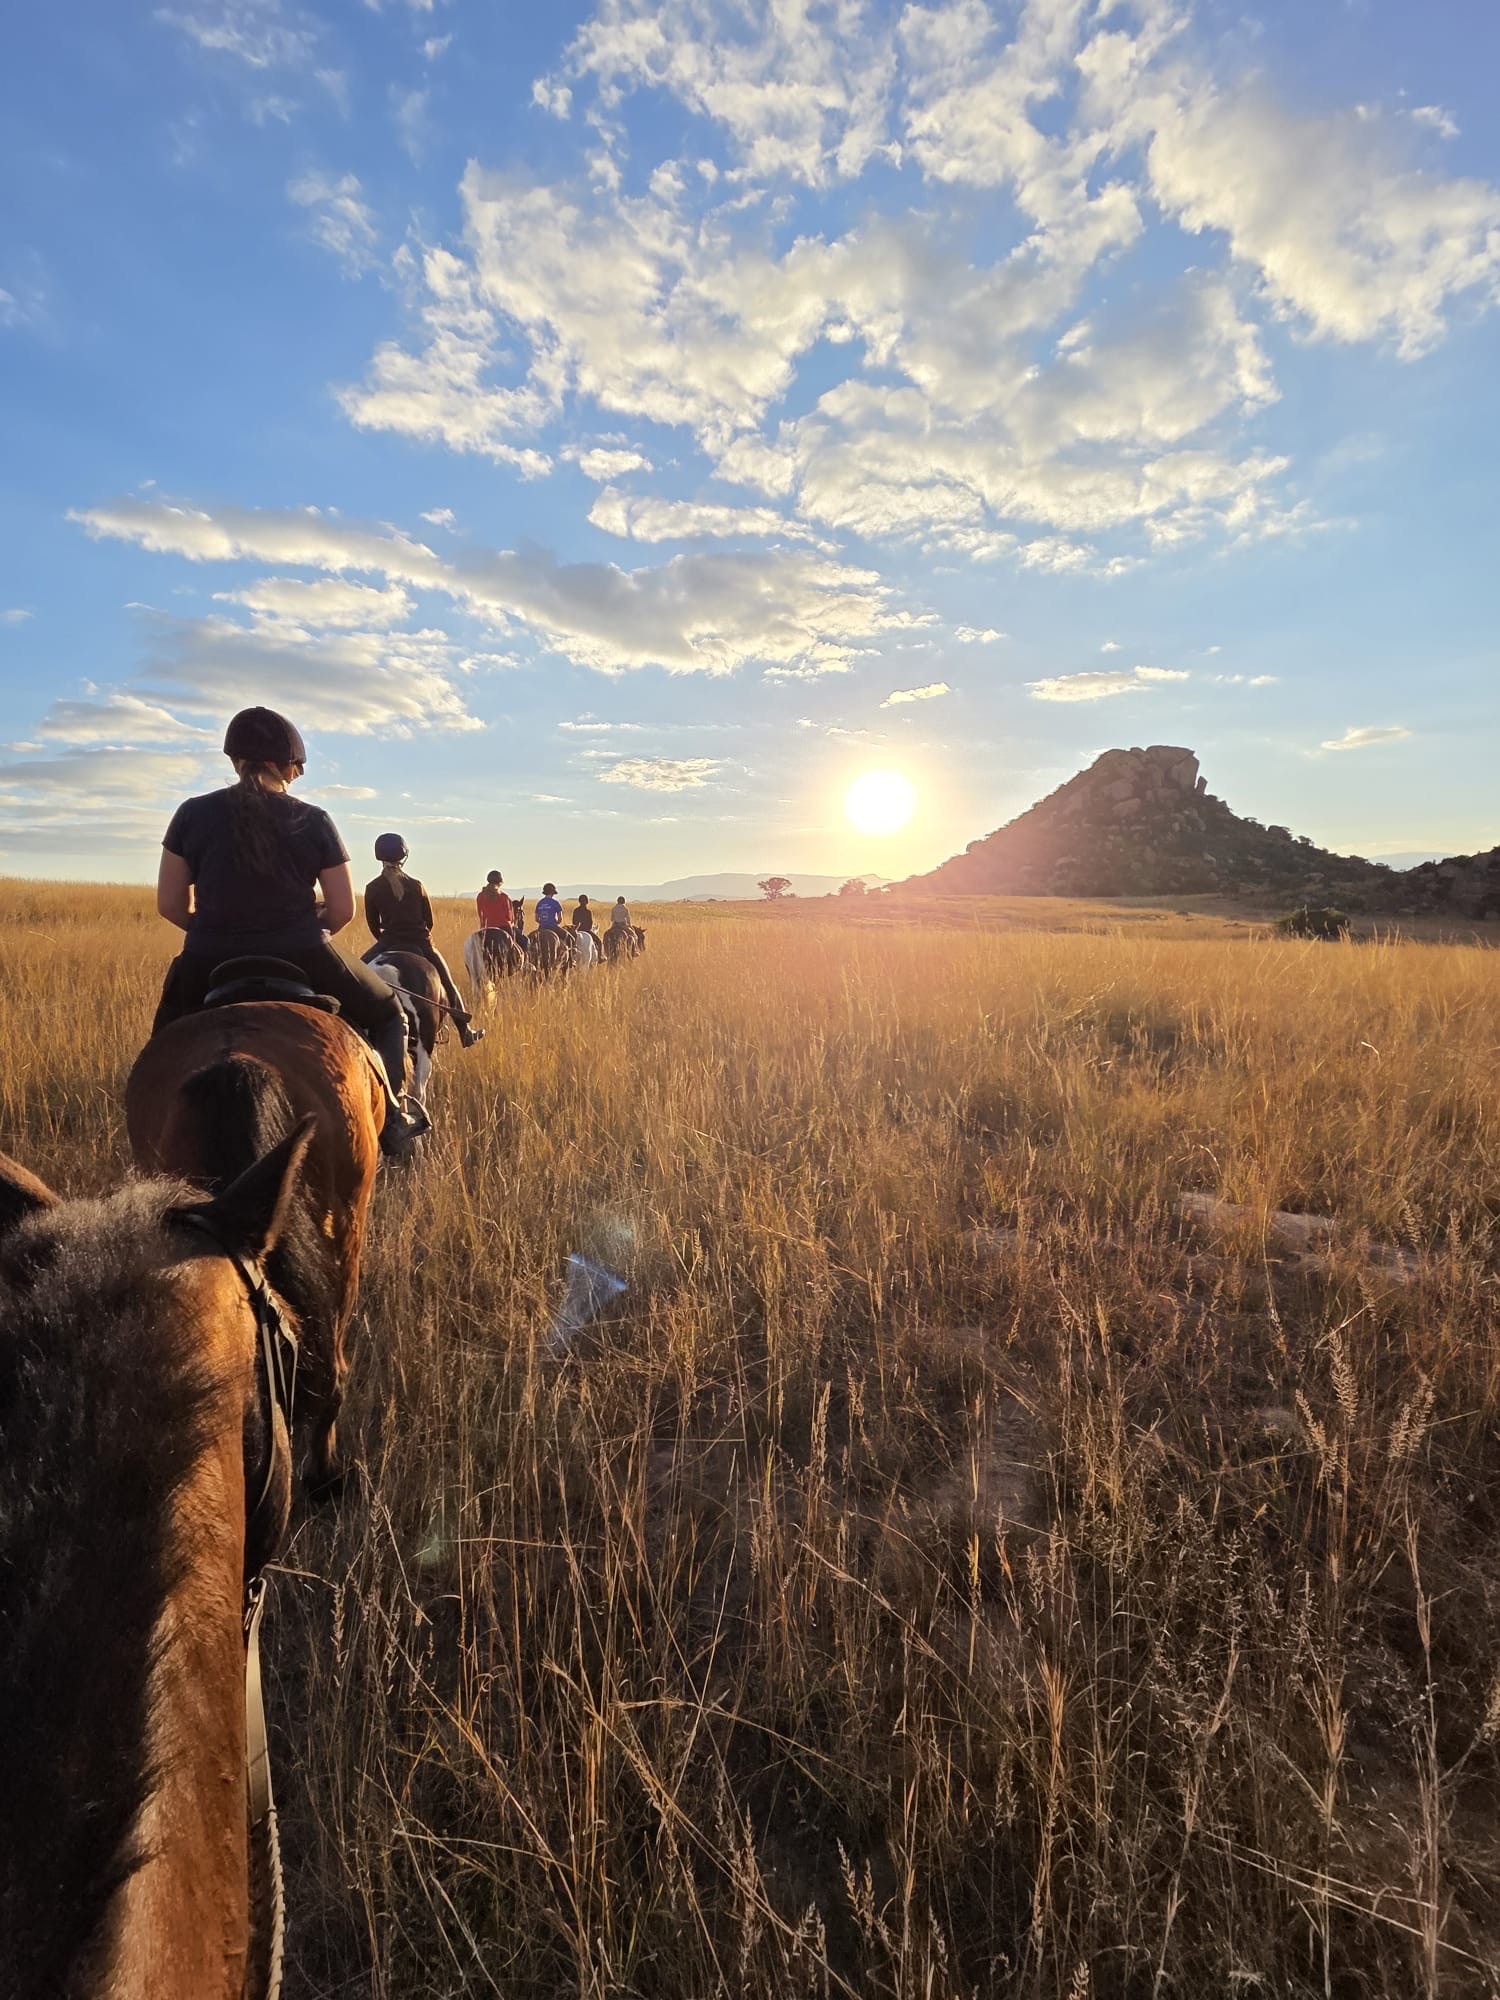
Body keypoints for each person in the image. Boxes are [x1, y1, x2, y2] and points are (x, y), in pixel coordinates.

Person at [151, 707, 428, 1156]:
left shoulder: (190, 814)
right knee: (386, 1013)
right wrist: (303, 922)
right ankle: (393, 1118)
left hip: (207, 955)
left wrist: (212, 928)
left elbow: (169, 904)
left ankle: (152, 1118)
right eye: (298, 767)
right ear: (283, 765)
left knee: (163, 1044)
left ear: (236, 760)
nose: (298, 775)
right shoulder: (313, 818)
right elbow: (342, 909)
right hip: (302, 950)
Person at [362, 835, 484, 1049]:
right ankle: (465, 1032)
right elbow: (429, 920)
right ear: (404, 856)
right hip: (422, 943)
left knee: (356, 976)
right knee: (448, 984)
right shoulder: (416, 885)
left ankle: (352, 1027)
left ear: (378, 856)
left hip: (388, 942)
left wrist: (385, 941)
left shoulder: (372, 887)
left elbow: (373, 924)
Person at [476, 870, 513, 934]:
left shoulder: (480, 896)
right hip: (504, 928)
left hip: (485, 929)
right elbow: (509, 917)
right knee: (525, 941)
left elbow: (480, 915)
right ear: (500, 882)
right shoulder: (504, 897)